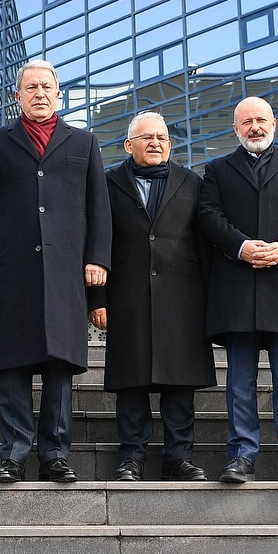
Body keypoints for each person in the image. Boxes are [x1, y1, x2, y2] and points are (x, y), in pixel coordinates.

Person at [0, 59, 110, 484]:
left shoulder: (84, 143)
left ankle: (55, 455)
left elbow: (98, 208)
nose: (38, 93)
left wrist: (98, 258)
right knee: (14, 366)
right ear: (17, 96)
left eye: (46, 87)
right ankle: (13, 455)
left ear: (58, 94)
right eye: (30, 87)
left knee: (59, 367)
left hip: (67, 271)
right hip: (14, 271)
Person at [199, 96, 278, 485]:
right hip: (238, 287)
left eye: (261, 120)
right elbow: (208, 215)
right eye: (246, 122)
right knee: (240, 379)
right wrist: (242, 246)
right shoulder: (217, 170)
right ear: (235, 129)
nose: (255, 127)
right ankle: (242, 455)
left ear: (274, 124)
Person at [88, 111, 215, 482]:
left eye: (161, 137)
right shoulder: (108, 184)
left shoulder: (192, 183)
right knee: (132, 382)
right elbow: (97, 241)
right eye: (146, 137)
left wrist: (210, 299)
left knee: (180, 383)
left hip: (183, 298)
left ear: (170, 145)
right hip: (127, 296)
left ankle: (179, 457)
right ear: (129, 145)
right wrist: (98, 297)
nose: (155, 142)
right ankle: (131, 458)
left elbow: (205, 242)